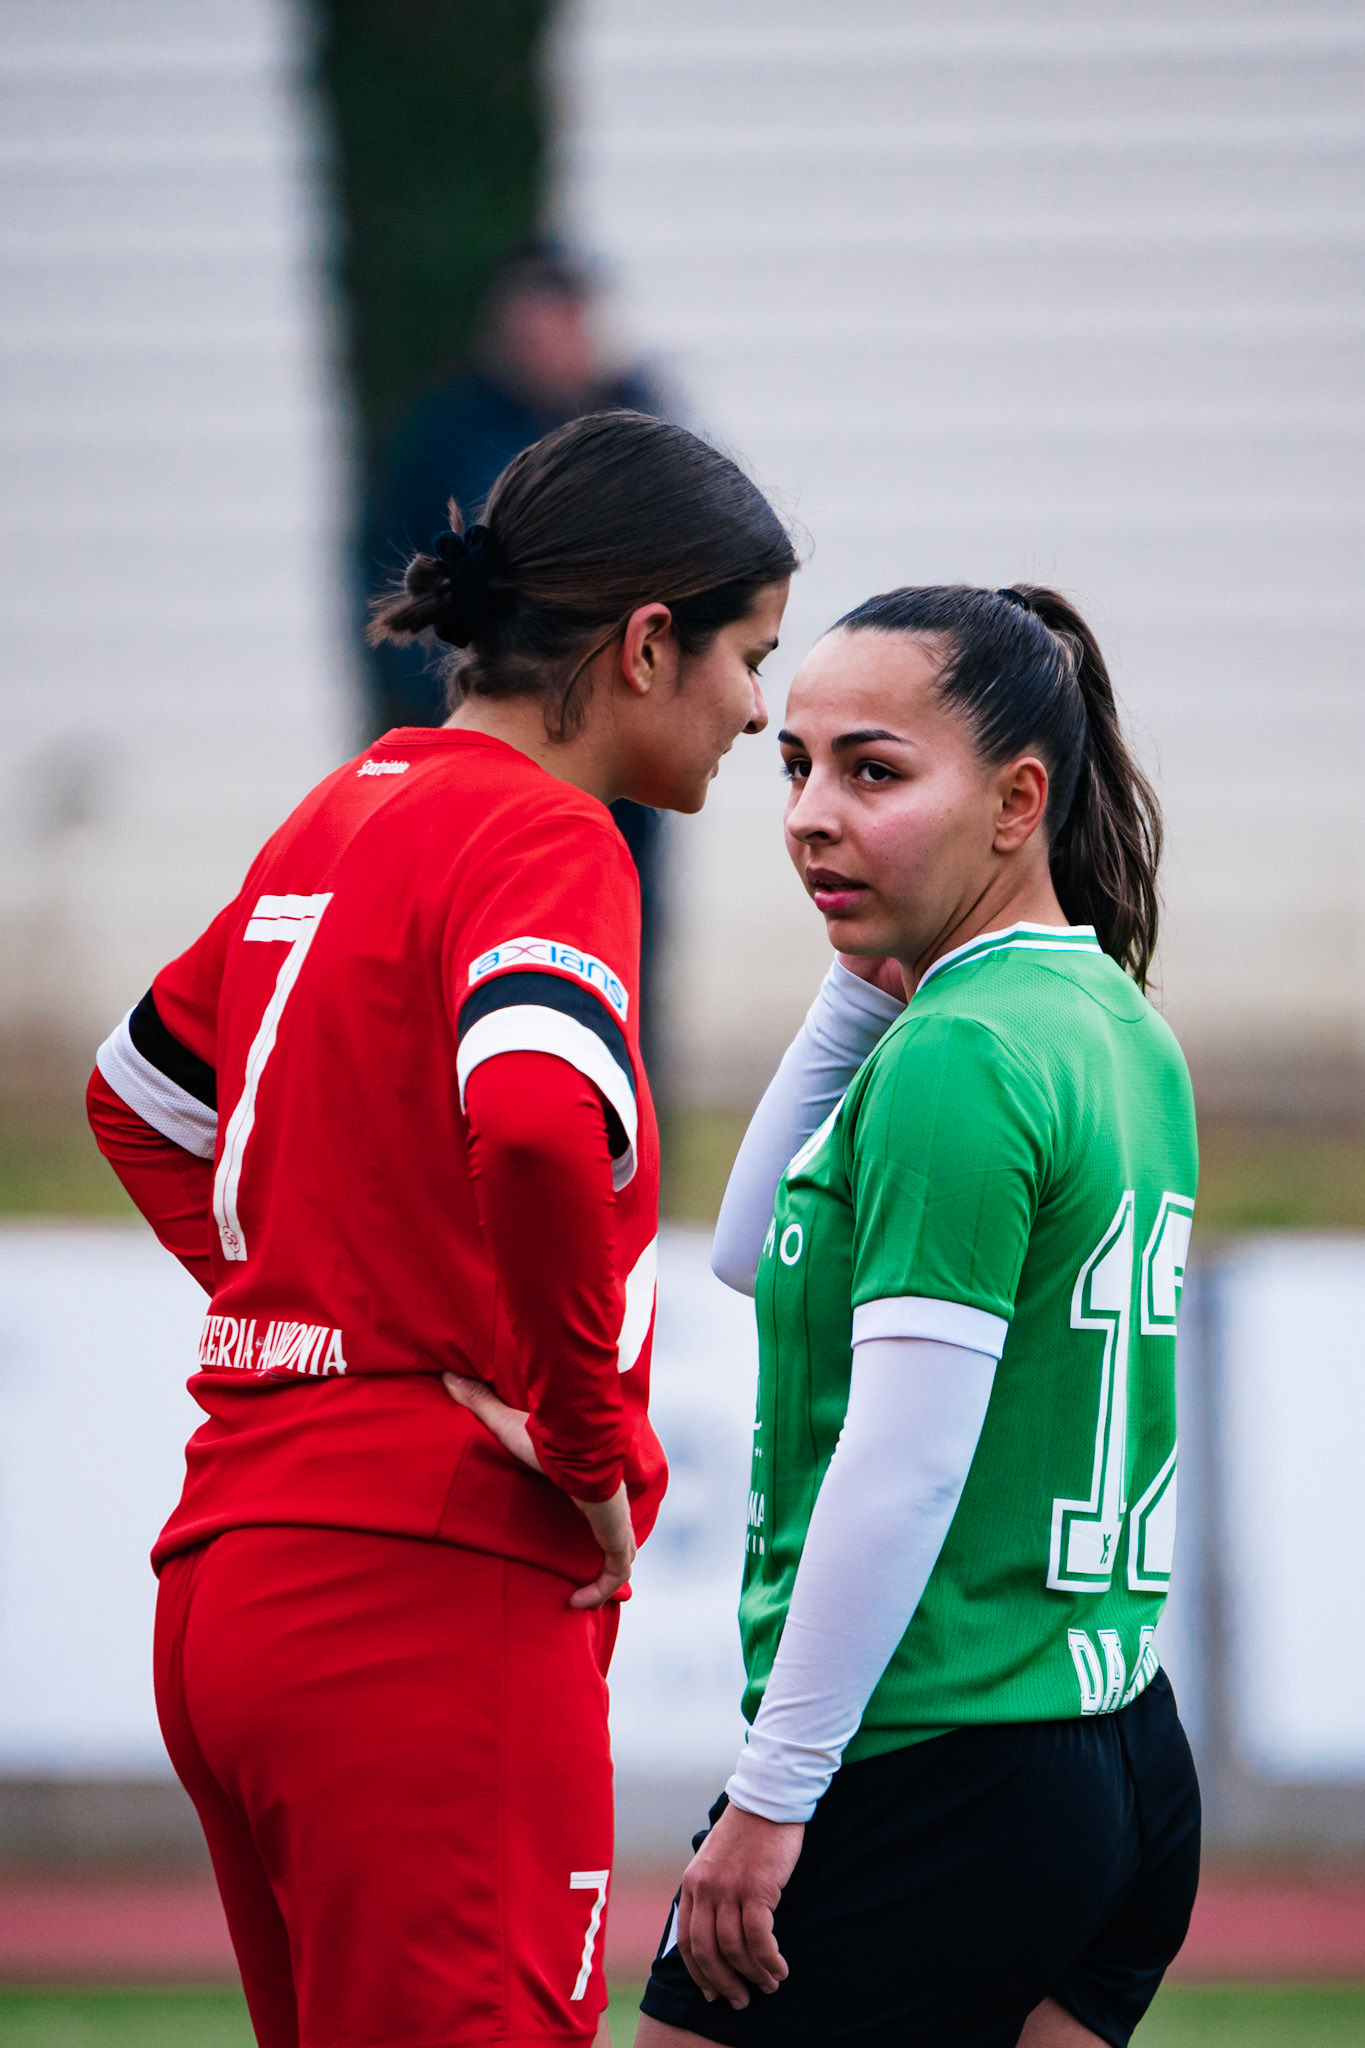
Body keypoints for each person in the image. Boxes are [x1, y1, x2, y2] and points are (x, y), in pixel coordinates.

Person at [85, 410, 796, 2048]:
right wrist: (585, 1433)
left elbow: (139, 1095)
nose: (758, 706)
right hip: (421, 1596)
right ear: (644, 644)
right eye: (749, 655)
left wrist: (325, 1299)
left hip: (232, 1573)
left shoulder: (345, 807)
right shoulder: (548, 834)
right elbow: (540, 1117)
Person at [636, 585, 1200, 2048]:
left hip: (931, 1757)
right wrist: (854, 986)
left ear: (1019, 801)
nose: (812, 814)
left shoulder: (962, 1056)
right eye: (797, 766)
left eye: (872, 772)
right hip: (1120, 1750)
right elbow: (759, 1250)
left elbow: (905, 1467)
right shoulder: (1114, 1024)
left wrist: (771, 1793)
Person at [366, 239, 674, 1066]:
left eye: (570, 322)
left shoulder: (637, 419)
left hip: (619, 727)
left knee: (623, 933)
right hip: (492, 723)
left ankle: (629, 1115)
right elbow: (385, 563)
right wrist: (433, 687)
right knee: (473, 926)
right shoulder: (448, 430)